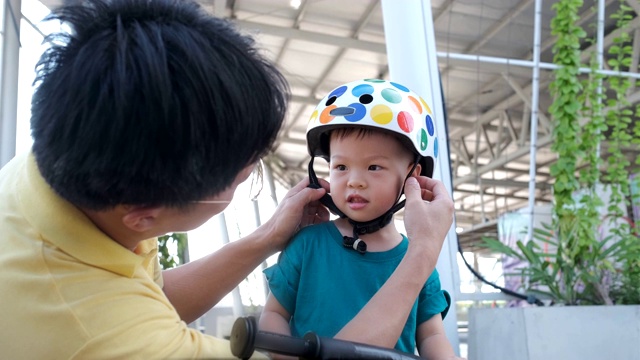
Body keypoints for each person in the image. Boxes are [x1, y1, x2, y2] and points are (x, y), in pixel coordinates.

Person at [0, 0, 453, 357]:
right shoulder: (116, 344)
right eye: (241, 180)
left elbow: (141, 295)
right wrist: (423, 255)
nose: (352, 181)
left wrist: (267, 238)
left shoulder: (52, 171)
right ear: (144, 214)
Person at [259, 79, 461, 359]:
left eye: (373, 167)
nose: (355, 181)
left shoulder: (418, 261)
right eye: (340, 166)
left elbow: (432, 336)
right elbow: (273, 314)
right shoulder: (307, 245)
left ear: (412, 177)